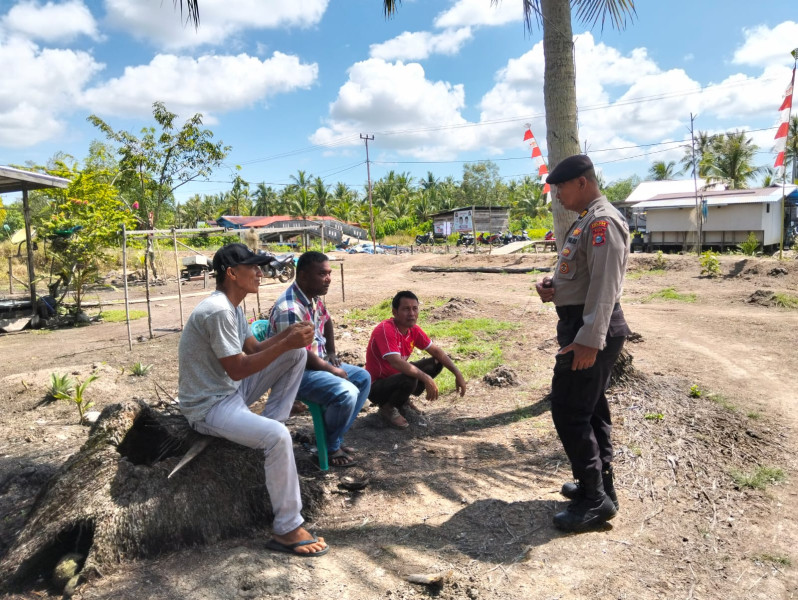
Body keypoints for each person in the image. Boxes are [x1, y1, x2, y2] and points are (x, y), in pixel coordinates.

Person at [178, 242, 328, 557]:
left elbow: (254, 350)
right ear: (232, 273)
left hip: (229, 393)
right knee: (278, 438)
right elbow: (236, 369)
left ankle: (269, 429)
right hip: (209, 406)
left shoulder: (233, 307)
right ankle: (287, 528)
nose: (260, 273)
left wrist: (291, 339)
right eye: (253, 267)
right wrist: (286, 340)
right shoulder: (217, 310)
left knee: (296, 355)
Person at [535, 154, 632, 533]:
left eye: (559, 187)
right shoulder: (587, 220)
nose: (556, 194)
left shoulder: (602, 222)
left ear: (581, 182)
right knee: (590, 409)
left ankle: (594, 501)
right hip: (582, 323)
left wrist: (589, 339)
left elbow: (606, 287)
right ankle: (600, 487)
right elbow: (584, 277)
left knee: (569, 410)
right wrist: (553, 287)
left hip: (592, 329)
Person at [268, 251, 371, 468]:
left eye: (329, 273)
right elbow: (298, 355)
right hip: (294, 374)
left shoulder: (312, 299)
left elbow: (328, 321)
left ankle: (329, 440)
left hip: (315, 365)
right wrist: (332, 370)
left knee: (362, 378)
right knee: (347, 392)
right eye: (322, 274)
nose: (328, 278)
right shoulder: (290, 308)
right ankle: (330, 446)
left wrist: (331, 352)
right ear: (303, 276)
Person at [365, 290, 467, 429]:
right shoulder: (385, 329)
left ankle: (402, 401)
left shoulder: (413, 330)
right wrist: (425, 378)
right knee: (411, 377)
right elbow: (395, 361)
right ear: (395, 312)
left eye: (415, 308)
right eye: (406, 309)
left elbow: (436, 351)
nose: (411, 313)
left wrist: (457, 373)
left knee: (436, 362)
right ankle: (387, 408)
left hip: (395, 377)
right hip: (376, 387)